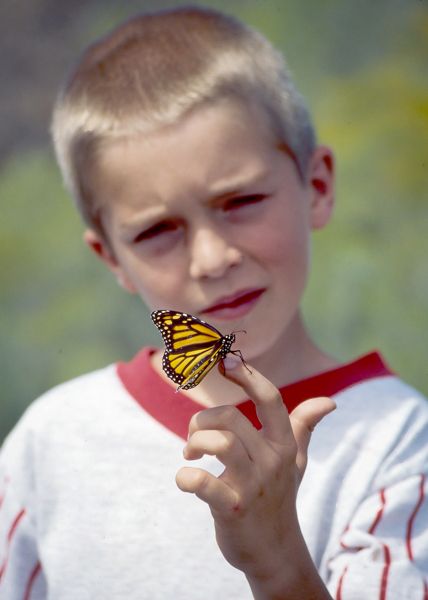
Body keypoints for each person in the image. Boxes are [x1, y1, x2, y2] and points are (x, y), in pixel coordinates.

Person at [0, 6, 427, 599]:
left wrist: (279, 566)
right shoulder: (49, 441)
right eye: (157, 231)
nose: (211, 258)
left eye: (241, 200)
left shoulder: (400, 442)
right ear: (112, 260)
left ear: (319, 188)